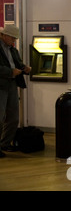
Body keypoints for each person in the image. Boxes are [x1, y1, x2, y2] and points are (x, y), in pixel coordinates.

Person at [0, 25, 32, 158]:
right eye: (12, 37)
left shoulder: (13, 49)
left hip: (12, 84)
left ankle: (5, 143)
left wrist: (24, 68)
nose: (13, 40)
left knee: (13, 117)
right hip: (1, 85)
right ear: (4, 35)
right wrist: (10, 72)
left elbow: (17, 63)